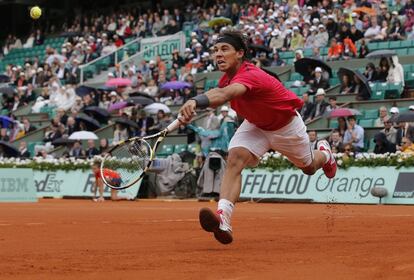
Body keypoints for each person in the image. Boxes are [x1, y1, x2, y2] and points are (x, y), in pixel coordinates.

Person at [179, 30, 337, 245]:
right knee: (235, 158)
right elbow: (221, 94)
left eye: (224, 49)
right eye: (215, 50)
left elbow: (223, 95)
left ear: (240, 53)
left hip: (286, 127)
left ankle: (325, 155)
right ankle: (223, 218)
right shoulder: (227, 79)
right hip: (256, 125)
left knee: (309, 167)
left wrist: (195, 101)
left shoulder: (251, 74)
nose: (218, 55)